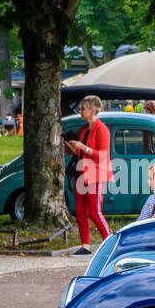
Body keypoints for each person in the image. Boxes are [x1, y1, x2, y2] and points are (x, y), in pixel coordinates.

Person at [65, 95, 112, 253]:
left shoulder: (102, 129)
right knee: (80, 212)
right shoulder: (84, 129)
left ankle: (110, 242)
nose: (81, 111)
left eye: (83, 108)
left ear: (93, 109)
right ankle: (85, 245)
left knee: (94, 212)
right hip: (82, 173)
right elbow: (79, 153)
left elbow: (103, 155)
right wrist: (72, 147)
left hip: (96, 174)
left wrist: (82, 147)